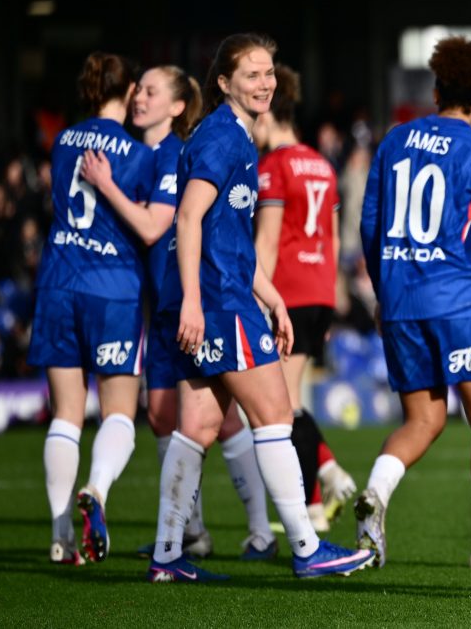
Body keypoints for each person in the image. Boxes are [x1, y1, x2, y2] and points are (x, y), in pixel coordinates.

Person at [145, 33, 373, 582]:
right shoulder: (225, 139)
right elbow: (188, 219)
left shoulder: (233, 138)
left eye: (269, 72)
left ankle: (168, 555)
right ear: (223, 83)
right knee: (274, 416)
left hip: (225, 295)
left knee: (196, 427)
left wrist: (273, 298)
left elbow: (228, 238)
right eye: (251, 74)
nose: (265, 82)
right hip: (220, 303)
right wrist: (195, 306)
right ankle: (305, 546)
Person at [81, 65, 277, 561]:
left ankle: (265, 530)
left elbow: (165, 227)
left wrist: (106, 187)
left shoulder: (178, 154)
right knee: (168, 417)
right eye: (137, 89)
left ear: (177, 106)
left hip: (193, 302)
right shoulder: (146, 156)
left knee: (226, 420)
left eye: (150, 91)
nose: (137, 98)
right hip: (165, 305)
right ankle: (188, 535)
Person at [357, 36, 471, 569]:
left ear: (435, 90)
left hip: (402, 301)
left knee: (423, 421)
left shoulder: (393, 142)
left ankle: (376, 494)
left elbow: (370, 226)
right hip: (460, 303)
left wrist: (386, 290)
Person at [27, 52, 154, 566]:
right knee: (120, 410)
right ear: (127, 93)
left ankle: (60, 536)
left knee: (66, 414)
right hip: (113, 287)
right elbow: (148, 224)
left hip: (59, 281)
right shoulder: (139, 155)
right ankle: (97, 488)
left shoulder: (62, 142)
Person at [253, 63, 358, 534]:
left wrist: (259, 296)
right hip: (318, 290)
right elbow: (333, 238)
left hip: (286, 291)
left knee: (282, 405)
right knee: (286, 400)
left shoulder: (274, 167)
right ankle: (315, 506)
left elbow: (268, 242)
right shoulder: (321, 163)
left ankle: (330, 474)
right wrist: (332, 295)